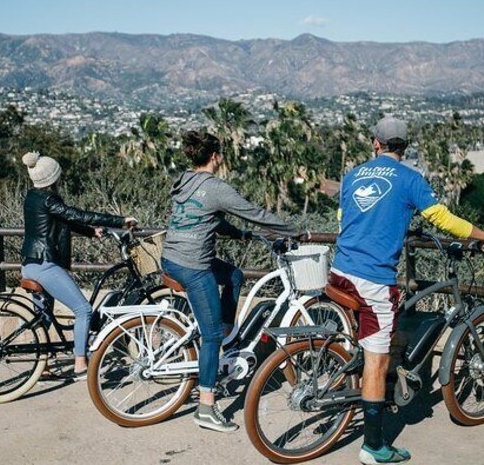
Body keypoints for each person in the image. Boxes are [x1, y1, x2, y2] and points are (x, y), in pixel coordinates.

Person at [331, 117, 484, 464]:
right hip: (371, 279)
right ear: (404, 148)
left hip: (339, 271)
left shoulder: (353, 175)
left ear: (376, 144)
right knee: (376, 363)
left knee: (368, 342)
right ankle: (374, 446)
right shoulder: (409, 179)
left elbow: (342, 218)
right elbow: (443, 219)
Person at [161, 131, 299, 433]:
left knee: (234, 276)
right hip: (193, 265)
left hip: (171, 257)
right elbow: (255, 213)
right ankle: (206, 408)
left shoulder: (183, 180)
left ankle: (225, 332)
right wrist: (294, 230)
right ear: (215, 157)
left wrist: (236, 233)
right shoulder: (215, 187)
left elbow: (204, 215)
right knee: (209, 337)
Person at [20, 151, 136, 380]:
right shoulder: (49, 199)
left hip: (29, 264)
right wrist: (119, 221)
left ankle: (40, 367)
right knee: (83, 310)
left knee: (43, 316)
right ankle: (81, 364)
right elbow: (77, 214)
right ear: (54, 177)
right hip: (45, 266)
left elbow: (63, 221)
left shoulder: (32, 197)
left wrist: (90, 232)